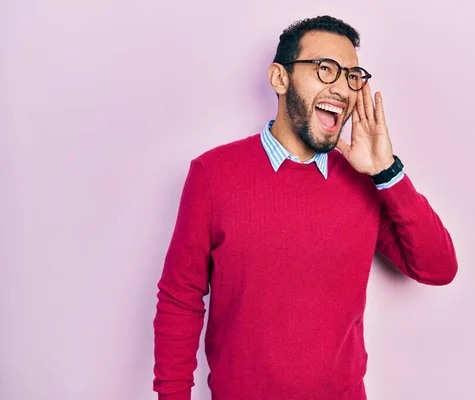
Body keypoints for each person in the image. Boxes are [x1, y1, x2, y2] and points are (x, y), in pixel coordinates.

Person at [153, 15, 458, 400]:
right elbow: (181, 297)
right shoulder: (213, 175)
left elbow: (438, 268)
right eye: (325, 69)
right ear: (279, 78)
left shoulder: (364, 182)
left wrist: (387, 172)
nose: (342, 89)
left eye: (351, 76)